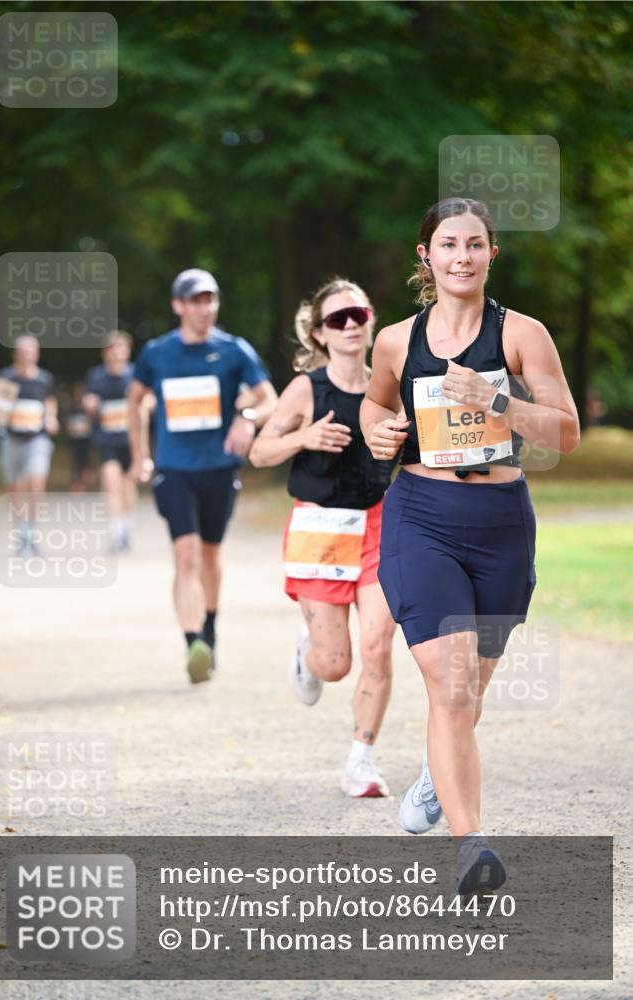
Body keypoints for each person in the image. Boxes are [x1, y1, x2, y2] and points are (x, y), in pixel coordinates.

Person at [360, 197, 580, 891]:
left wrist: (495, 403)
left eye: (475, 245)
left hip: (499, 524)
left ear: (491, 254)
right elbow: (374, 403)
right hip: (420, 514)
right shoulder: (396, 340)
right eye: (448, 245)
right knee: (451, 689)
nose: (461, 257)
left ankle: (436, 773)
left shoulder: (521, 334)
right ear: (425, 255)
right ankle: (470, 846)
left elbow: (565, 432)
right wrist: (376, 430)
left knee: (468, 692)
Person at [250, 279, 397, 798]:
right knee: (336, 665)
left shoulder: (391, 383)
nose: (351, 324)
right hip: (321, 530)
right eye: (338, 319)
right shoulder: (306, 390)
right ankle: (308, 651)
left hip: (379, 525)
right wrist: (303, 437)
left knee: (378, 647)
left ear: (371, 317)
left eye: (357, 313)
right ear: (320, 334)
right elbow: (259, 453)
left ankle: (361, 760)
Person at [128, 268, 277, 683]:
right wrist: (141, 455)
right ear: (178, 306)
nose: (204, 308)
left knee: (210, 555)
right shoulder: (156, 354)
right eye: (195, 300)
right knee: (186, 553)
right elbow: (135, 400)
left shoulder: (233, 351)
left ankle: (209, 628)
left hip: (219, 469)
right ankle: (192, 641)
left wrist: (246, 418)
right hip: (175, 471)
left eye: (209, 299)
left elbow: (270, 399)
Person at [0, 335, 59, 554]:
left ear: (37, 354)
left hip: (37, 440)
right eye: (23, 352)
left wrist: (51, 418)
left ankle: (32, 532)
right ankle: (21, 532)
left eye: (31, 352)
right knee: (15, 487)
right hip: (11, 439)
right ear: (16, 354)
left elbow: (50, 403)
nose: (27, 356)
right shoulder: (6, 377)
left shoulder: (44, 379)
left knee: (35, 483)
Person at [82, 331, 137, 553]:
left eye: (122, 348)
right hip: (107, 440)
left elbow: (149, 398)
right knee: (111, 485)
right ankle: (115, 533)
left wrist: (148, 404)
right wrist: (89, 404)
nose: (118, 353)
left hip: (131, 440)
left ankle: (126, 527)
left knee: (127, 486)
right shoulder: (96, 376)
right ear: (106, 353)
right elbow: (89, 400)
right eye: (113, 349)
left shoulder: (135, 375)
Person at [65, 382, 93, 493]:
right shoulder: (71, 406)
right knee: (75, 462)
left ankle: (84, 482)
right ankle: (76, 484)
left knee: (85, 461)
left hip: (85, 439)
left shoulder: (87, 407)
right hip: (74, 439)